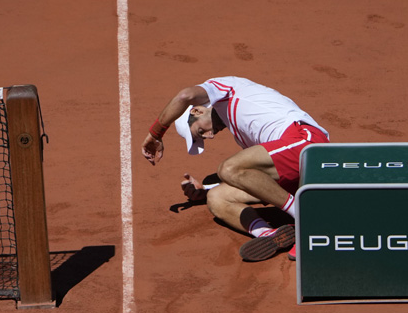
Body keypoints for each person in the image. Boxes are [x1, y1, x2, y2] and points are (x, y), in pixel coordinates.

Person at [141, 76, 329, 261]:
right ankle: (268, 234)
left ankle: (307, 219)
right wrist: (206, 190)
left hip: (305, 142)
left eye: (201, 132)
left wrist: (156, 134)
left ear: (197, 111)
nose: (210, 136)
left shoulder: (227, 90)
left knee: (228, 168)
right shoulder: (242, 135)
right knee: (217, 199)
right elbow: (259, 179)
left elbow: (185, 96)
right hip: (292, 168)